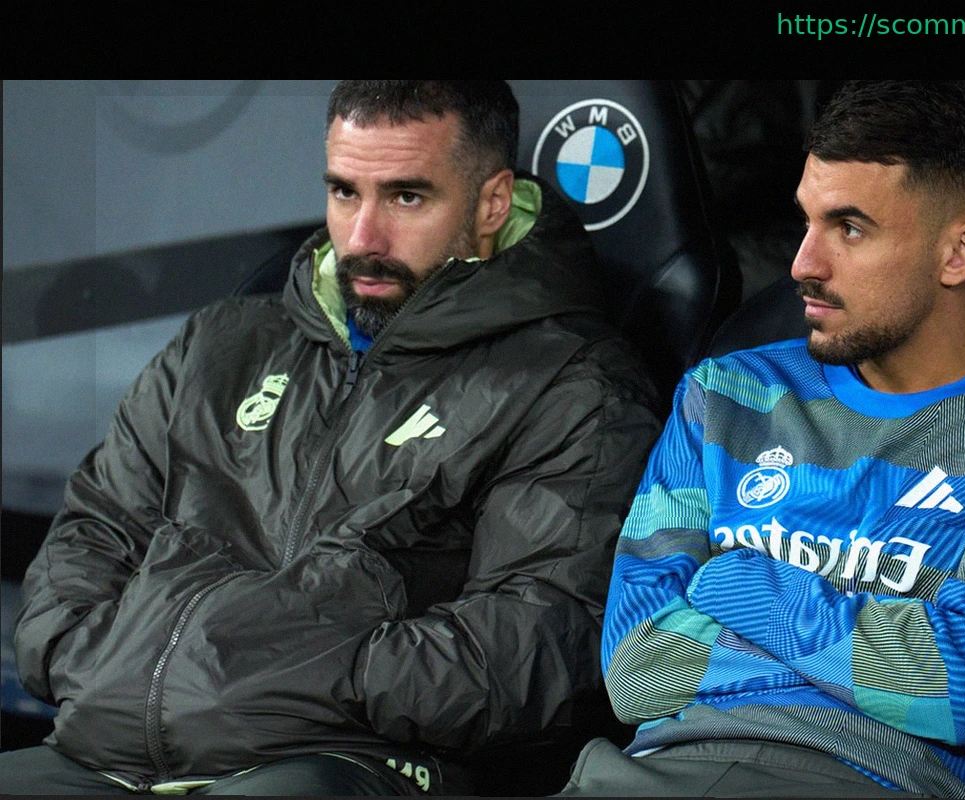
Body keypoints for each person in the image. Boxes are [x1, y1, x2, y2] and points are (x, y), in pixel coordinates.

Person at [3, 80, 661, 795]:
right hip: (108, 746)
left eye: (406, 197)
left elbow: (537, 648)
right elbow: (88, 539)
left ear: (491, 204)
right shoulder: (220, 344)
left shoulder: (569, 383)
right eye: (345, 192)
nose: (363, 239)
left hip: (348, 760)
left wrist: (292, 676)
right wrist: (102, 662)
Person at [559, 81, 965, 798]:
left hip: (875, 780)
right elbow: (635, 669)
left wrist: (728, 579)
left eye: (850, 228)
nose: (803, 263)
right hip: (650, 772)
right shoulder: (725, 393)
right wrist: (897, 657)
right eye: (806, 221)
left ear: (958, 254)